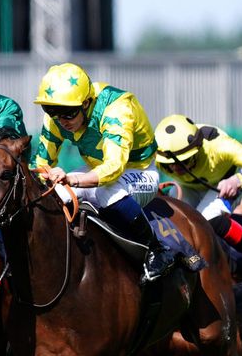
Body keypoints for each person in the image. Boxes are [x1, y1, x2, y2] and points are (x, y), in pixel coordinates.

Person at [31, 62, 173, 283]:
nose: (60, 120)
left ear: (86, 103)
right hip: (96, 169)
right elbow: (40, 163)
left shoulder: (116, 109)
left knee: (105, 193)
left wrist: (71, 179)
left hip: (139, 171)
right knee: (56, 196)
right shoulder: (58, 115)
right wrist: (47, 177)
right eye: (51, 111)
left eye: (68, 113)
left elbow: (114, 168)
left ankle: (157, 249)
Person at [152, 114, 242, 293]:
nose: (176, 168)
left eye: (184, 161)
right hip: (189, 187)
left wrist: (238, 180)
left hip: (224, 184)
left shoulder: (219, 146)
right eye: (169, 164)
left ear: (198, 148)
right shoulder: (156, 152)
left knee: (204, 220)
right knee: (175, 223)